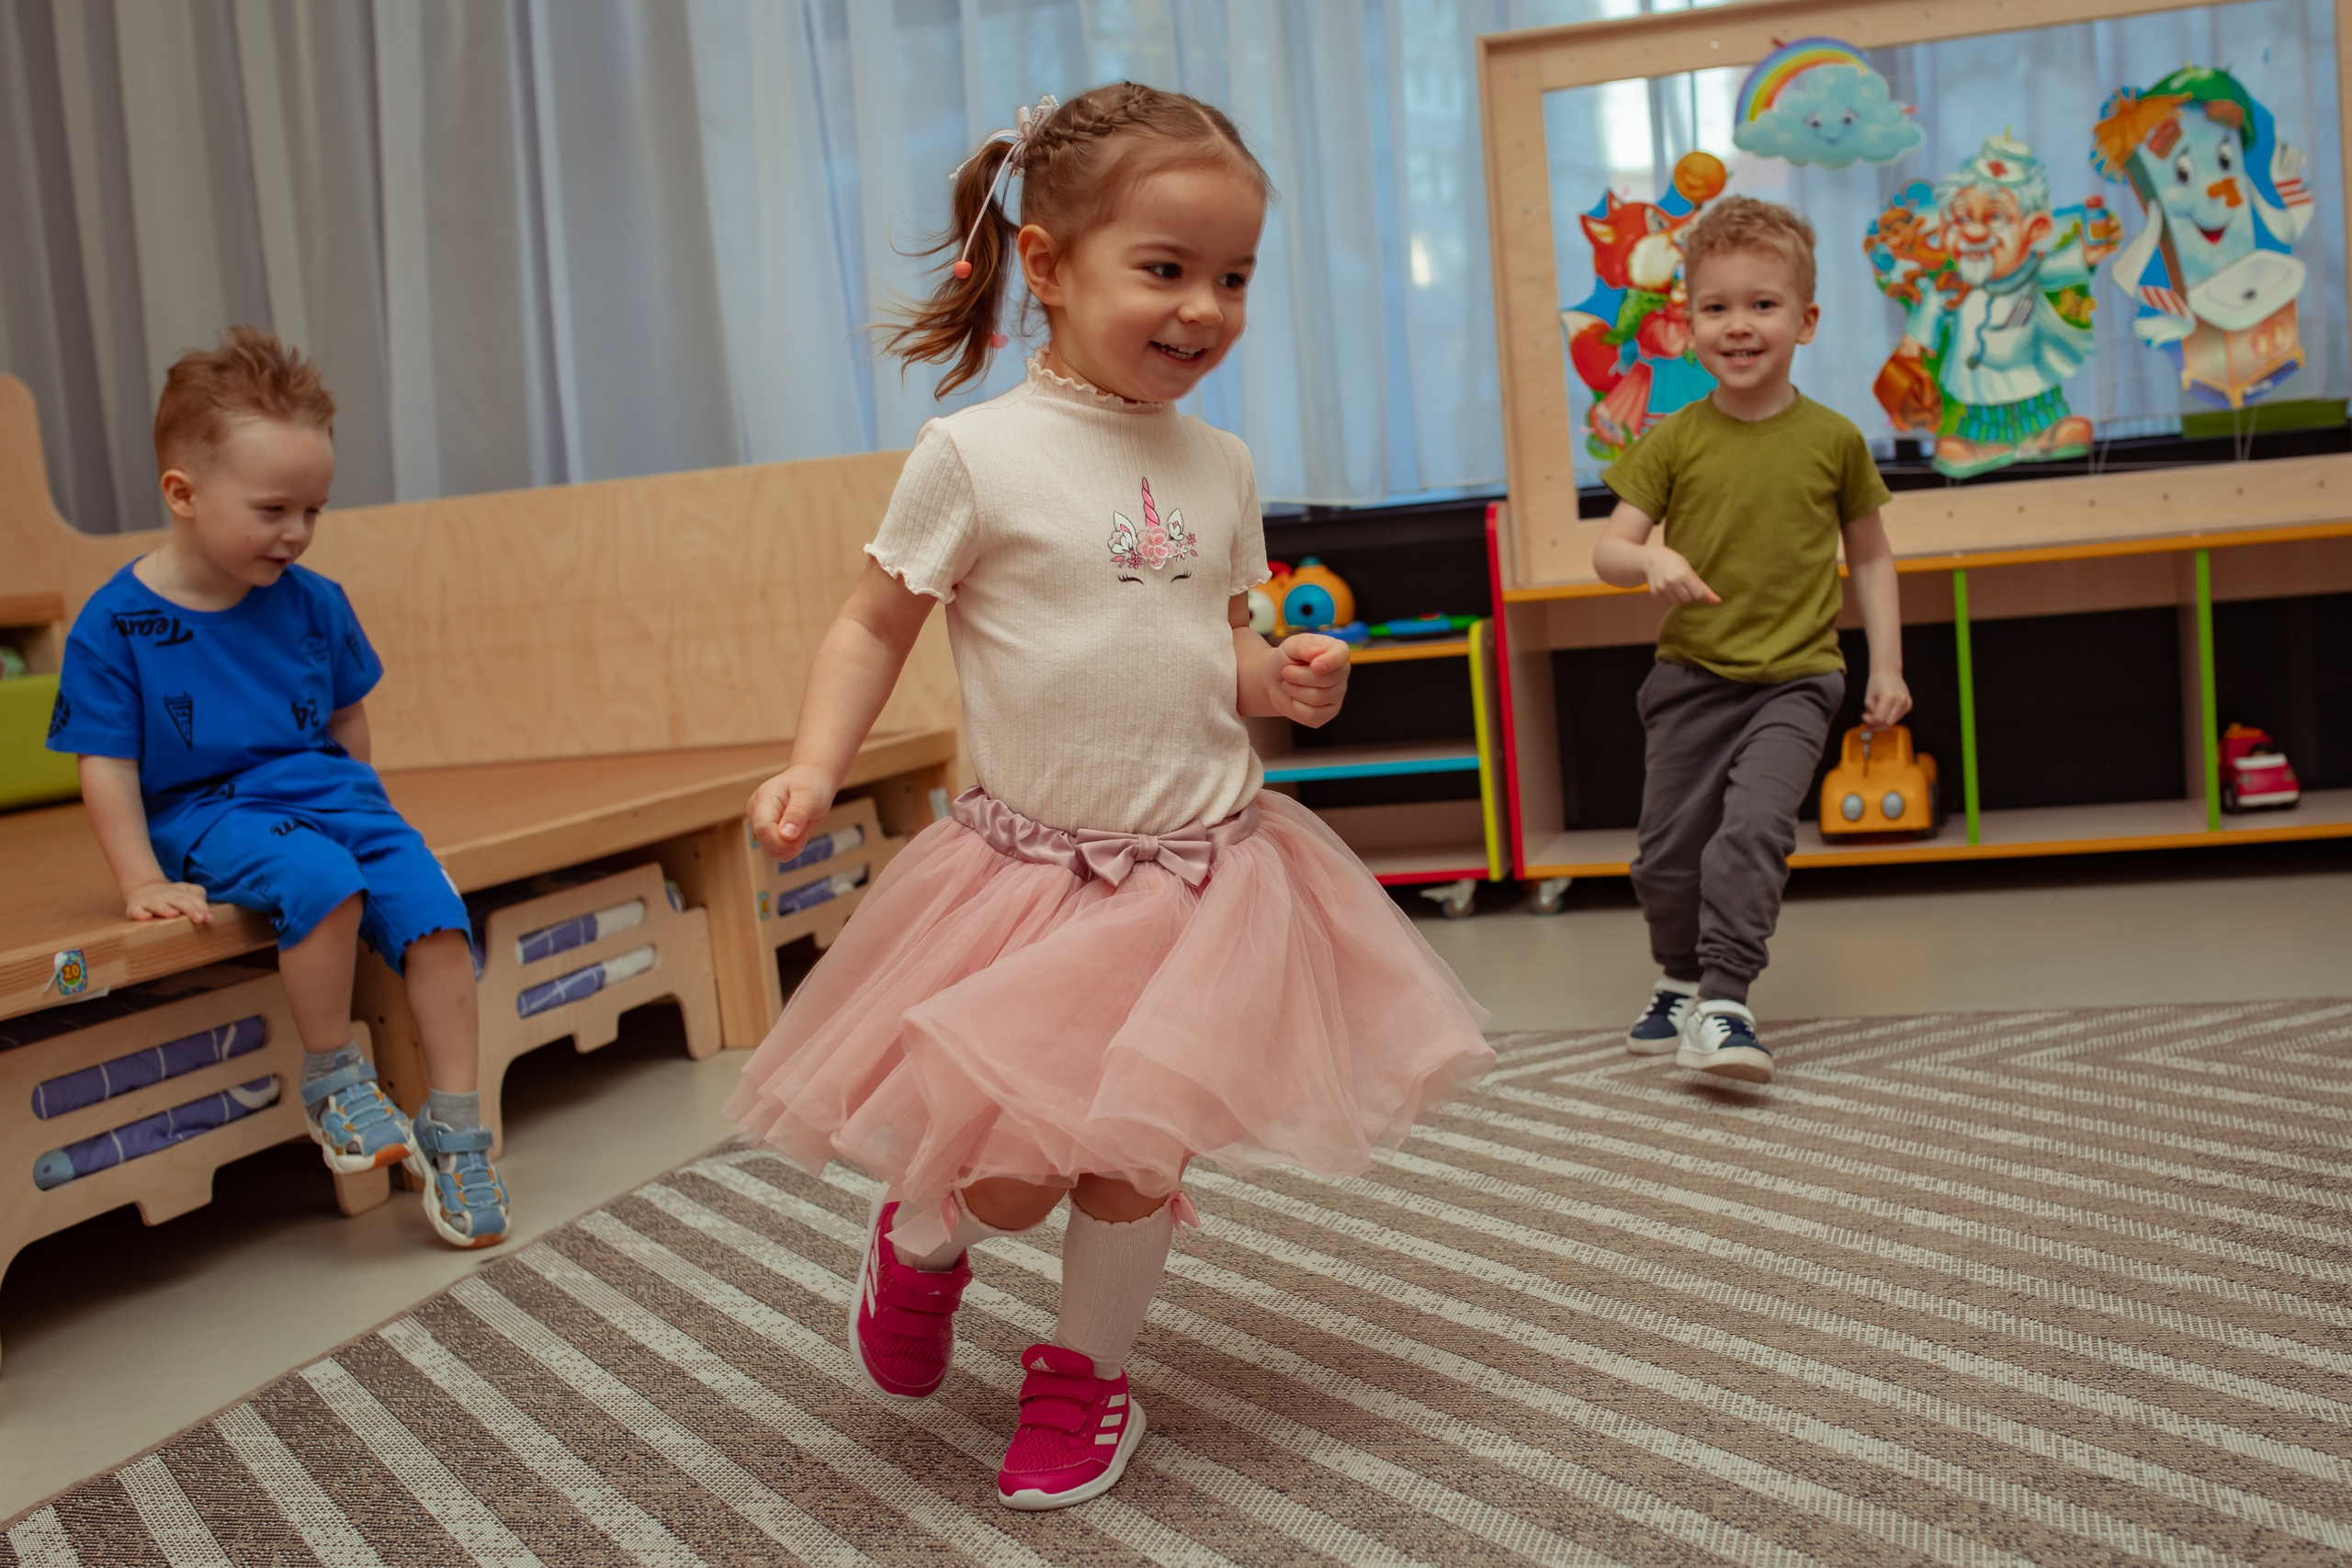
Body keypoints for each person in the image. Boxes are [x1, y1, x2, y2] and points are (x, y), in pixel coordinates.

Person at [726, 84, 1492, 1510]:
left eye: (1235, 276)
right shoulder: (976, 455)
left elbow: (1226, 648)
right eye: (1167, 268)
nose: (1204, 306)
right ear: (1046, 266)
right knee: (1012, 1174)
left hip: (1206, 874)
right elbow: (870, 624)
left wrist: (1288, 679)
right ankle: (927, 1242)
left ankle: (1086, 1375)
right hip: (1032, 878)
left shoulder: (1225, 463)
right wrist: (816, 763)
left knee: (1132, 1155)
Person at [46, 327, 509, 1249]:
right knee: (320, 883)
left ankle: (454, 1127)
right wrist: (141, 879)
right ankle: (334, 1078)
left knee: (437, 915)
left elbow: (345, 718)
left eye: (314, 511)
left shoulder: (315, 601)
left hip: (332, 799)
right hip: (208, 813)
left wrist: (372, 812)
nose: (295, 534)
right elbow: (107, 762)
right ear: (183, 493)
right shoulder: (117, 624)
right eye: (271, 510)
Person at [1590, 197, 1910, 1086]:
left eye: (1762, 306)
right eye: (1715, 308)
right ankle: (1678, 978)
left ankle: (1725, 1000)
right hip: (1690, 679)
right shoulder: (1673, 441)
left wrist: (1884, 666)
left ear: (1805, 321)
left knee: (1754, 830)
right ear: (1686, 322)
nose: (1738, 326)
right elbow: (1607, 551)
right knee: (1666, 857)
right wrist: (1648, 557)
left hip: (1796, 679)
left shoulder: (1834, 441)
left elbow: (1873, 560)